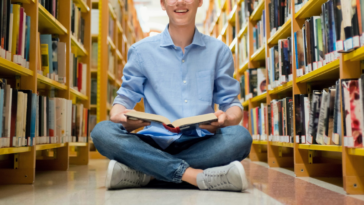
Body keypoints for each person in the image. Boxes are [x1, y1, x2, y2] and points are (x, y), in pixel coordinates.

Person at [91, 0, 252, 192]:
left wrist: (227, 119)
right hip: (154, 142)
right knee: (102, 132)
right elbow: (124, 98)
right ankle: (195, 175)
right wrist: (120, 117)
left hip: (200, 141)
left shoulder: (219, 51)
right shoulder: (141, 51)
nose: (180, 2)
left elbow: (231, 103)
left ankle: (147, 172)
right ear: (162, 3)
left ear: (200, 2)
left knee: (240, 138)